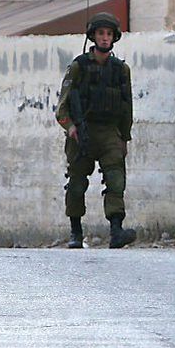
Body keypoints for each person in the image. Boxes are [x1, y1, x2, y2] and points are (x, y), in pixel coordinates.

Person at [55, 12, 136, 249]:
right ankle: (76, 231)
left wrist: (124, 137)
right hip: (82, 131)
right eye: (100, 33)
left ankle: (116, 230)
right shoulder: (79, 67)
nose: (104, 38)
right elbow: (63, 105)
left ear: (114, 38)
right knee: (77, 182)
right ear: (93, 36)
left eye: (108, 34)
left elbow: (126, 105)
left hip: (110, 131)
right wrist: (70, 128)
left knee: (116, 178)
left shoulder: (121, 70)